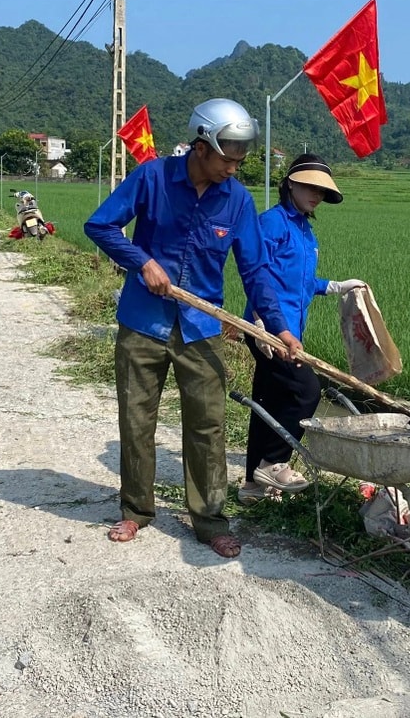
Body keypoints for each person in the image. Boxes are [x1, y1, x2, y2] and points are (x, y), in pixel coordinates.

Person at [84, 98, 302, 559]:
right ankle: (135, 510)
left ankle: (209, 519)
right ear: (202, 144)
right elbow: (99, 225)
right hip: (143, 322)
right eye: (228, 157)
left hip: (202, 328)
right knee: (137, 418)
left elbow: (256, 271)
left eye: (242, 159)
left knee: (208, 426)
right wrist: (141, 262)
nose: (234, 167)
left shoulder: (237, 200)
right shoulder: (152, 178)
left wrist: (278, 328)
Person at [238, 154, 366, 505]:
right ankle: (274, 462)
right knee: (306, 391)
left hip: (291, 330)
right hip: (268, 330)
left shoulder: (306, 232)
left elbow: (302, 282)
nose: (316, 195)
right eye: (310, 187)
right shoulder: (273, 223)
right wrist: (263, 321)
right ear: (290, 183)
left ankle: (252, 486)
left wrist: (338, 286)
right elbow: (256, 273)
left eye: (322, 192)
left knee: (269, 399)